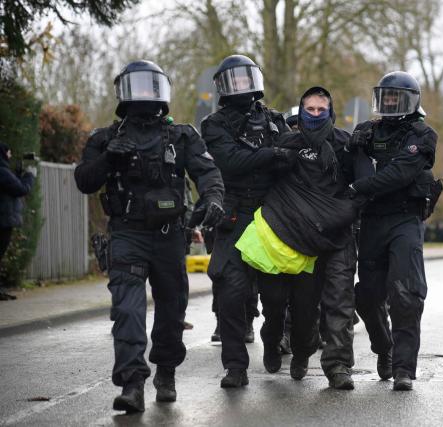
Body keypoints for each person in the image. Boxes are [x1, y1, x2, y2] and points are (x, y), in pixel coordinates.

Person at [74, 60, 225, 413]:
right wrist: (109, 160)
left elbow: (208, 172)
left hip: (170, 235)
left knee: (172, 311)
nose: (144, 93)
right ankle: (132, 383)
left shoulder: (182, 135)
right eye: (137, 86)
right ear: (124, 94)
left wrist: (214, 199)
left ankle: (166, 372)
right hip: (127, 233)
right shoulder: (105, 138)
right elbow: (84, 180)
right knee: (127, 309)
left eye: (150, 86)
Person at [345, 71, 440, 391]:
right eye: (384, 96)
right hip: (371, 221)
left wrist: (358, 187)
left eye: (395, 97)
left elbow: (399, 173)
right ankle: (383, 347)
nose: (388, 102)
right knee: (367, 296)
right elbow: (353, 162)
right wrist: (356, 157)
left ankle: (403, 368)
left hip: (404, 221)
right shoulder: (365, 131)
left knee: (406, 295)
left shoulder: (423, 135)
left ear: (410, 101)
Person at [258, 86, 358, 390]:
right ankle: (286, 344)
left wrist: (347, 211)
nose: (315, 114)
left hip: (338, 234)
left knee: (339, 300)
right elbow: (267, 182)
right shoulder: (287, 144)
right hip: (297, 236)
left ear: (330, 112)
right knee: (291, 307)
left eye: (321, 109)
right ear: (301, 112)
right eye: (310, 109)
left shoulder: (344, 145)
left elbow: (362, 184)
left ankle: (338, 365)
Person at [200, 54, 290, 388]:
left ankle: (272, 337)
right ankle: (235, 366)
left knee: (277, 294)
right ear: (224, 86)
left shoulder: (275, 119)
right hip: (234, 216)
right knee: (231, 292)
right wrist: (270, 155)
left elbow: (289, 161)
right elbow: (231, 161)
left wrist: (277, 157)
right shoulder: (213, 125)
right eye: (233, 80)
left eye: (245, 78)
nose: (240, 85)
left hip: (271, 217)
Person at [0, 143, 36, 300]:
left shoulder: (4, 172)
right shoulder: (2, 171)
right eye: (8, 152)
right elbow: (21, 189)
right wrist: (30, 176)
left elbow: (11, 184)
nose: (10, 155)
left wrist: (18, 174)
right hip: (3, 221)